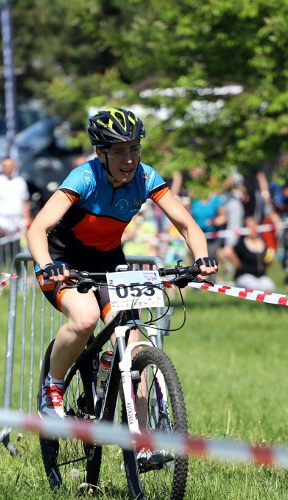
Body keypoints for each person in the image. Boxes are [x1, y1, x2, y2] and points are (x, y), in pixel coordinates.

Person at [26, 107, 217, 420]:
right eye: (118, 152)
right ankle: (53, 385)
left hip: (108, 260)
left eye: (134, 149)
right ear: (101, 154)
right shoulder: (84, 177)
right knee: (85, 318)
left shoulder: (145, 177)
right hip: (61, 260)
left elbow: (185, 223)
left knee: (131, 343)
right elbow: (38, 227)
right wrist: (47, 264)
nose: (129, 159)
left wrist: (201, 257)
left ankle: (142, 441)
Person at [0, 157, 30, 274]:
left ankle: (19, 281)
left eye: (11, 165)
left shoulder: (20, 182)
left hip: (17, 226)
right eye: (6, 166)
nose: (8, 168)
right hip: (1, 225)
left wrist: (25, 222)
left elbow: (25, 202)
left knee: (17, 255)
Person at [222, 216, 276, 292]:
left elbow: (266, 263)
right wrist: (238, 264)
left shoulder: (262, 243)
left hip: (260, 276)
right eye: (250, 226)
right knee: (254, 287)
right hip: (245, 276)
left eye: (254, 226)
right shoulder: (241, 243)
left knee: (270, 287)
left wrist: (269, 261)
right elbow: (227, 251)